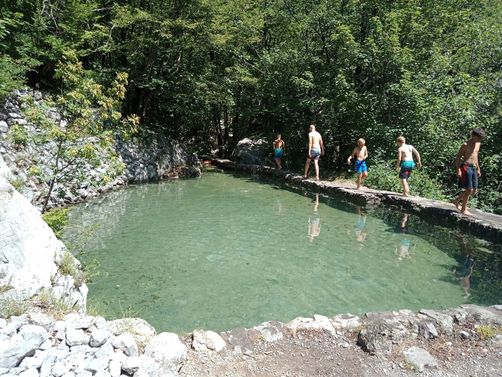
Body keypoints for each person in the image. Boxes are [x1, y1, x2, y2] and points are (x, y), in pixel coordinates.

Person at [451, 128, 486, 215]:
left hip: (474, 167)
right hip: (466, 167)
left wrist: (478, 168)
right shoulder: (465, 144)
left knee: (474, 190)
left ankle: (456, 201)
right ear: (473, 136)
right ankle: (463, 209)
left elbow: (476, 156)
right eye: (478, 138)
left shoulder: (478, 144)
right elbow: (458, 158)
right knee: (469, 189)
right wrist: (458, 169)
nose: (479, 140)